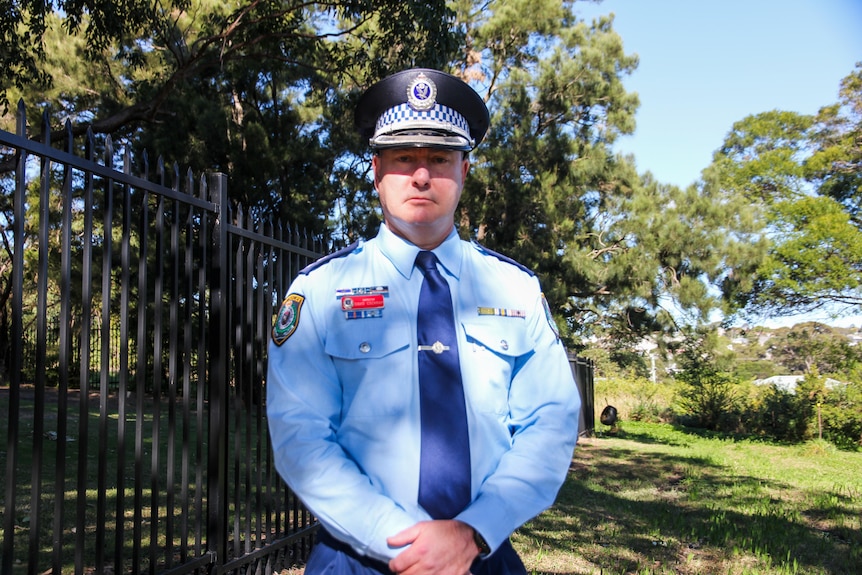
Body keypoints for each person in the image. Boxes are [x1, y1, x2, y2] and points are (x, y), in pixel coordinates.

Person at [267, 68, 581, 575]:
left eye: (438, 158)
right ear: (376, 171)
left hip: (484, 553)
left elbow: (550, 421)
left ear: (464, 172)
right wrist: (403, 547)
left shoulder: (516, 290)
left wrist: (472, 532)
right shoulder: (320, 290)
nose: (420, 175)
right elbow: (300, 436)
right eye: (403, 158)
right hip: (357, 558)